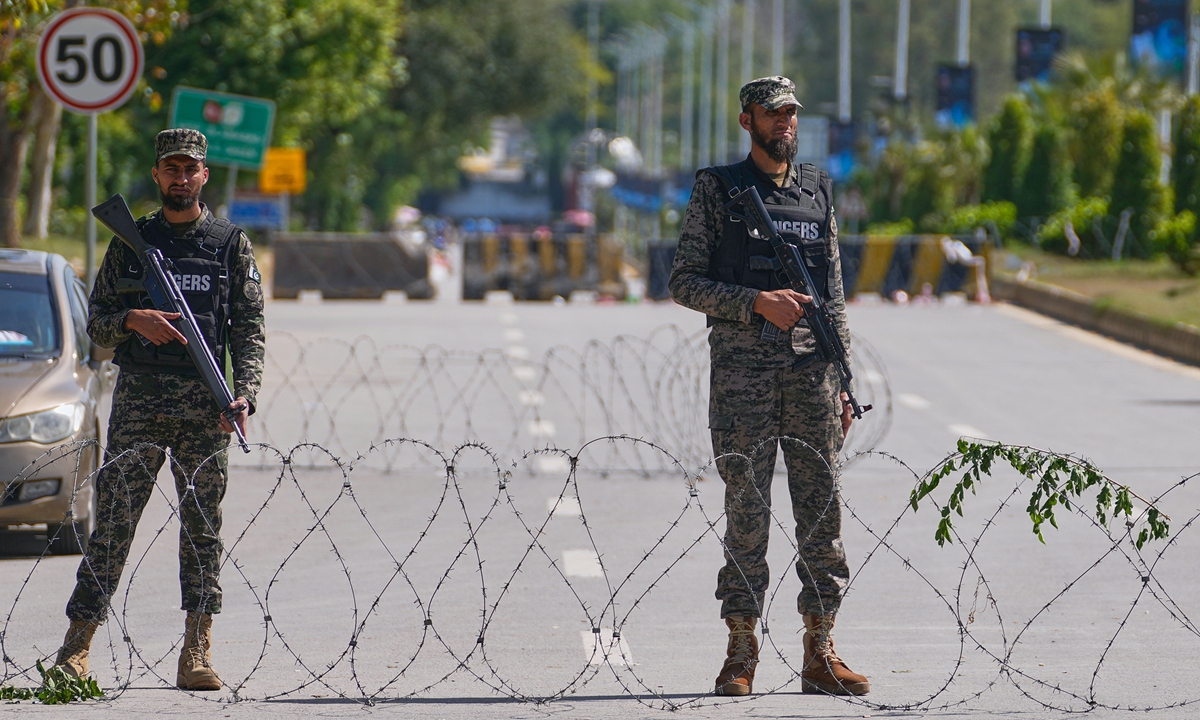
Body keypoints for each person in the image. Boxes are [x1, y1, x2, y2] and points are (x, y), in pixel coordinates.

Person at [669, 77, 869, 697]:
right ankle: (740, 650)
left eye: (790, 115)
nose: (784, 123)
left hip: (812, 376)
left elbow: (832, 292)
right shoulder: (719, 190)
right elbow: (683, 282)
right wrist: (756, 302)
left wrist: (842, 380)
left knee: (822, 515)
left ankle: (820, 649)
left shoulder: (816, 191)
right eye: (772, 114)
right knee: (747, 514)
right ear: (746, 120)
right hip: (743, 379)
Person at [53, 129, 266, 691]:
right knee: (114, 525)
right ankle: (76, 646)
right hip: (140, 404)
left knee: (202, 531)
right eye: (170, 167)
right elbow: (95, 319)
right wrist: (133, 320)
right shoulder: (130, 240)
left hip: (206, 409)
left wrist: (243, 393)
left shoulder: (228, 244)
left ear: (204, 176)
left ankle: (197, 649)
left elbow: (248, 331)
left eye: (189, 168)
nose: (179, 176)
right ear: (156, 175)